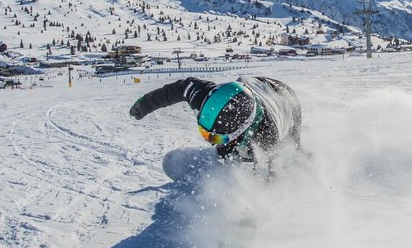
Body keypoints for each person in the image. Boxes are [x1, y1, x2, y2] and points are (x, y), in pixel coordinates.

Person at [129, 76, 302, 179]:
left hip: (285, 99)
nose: (211, 141)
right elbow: (180, 88)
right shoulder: (205, 95)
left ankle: (303, 159)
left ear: (243, 129)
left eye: (214, 137)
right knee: (227, 149)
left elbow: (269, 180)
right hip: (251, 90)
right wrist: (145, 104)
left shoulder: (269, 136)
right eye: (205, 133)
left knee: (285, 155)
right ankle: (227, 161)